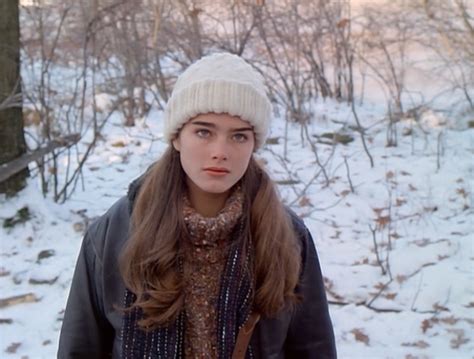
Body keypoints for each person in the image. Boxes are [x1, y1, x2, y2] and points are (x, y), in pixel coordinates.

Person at [58, 52, 336, 358]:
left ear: (253, 144)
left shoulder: (286, 235)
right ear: (177, 137)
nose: (220, 151)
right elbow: (81, 348)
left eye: (239, 136)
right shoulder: (114, 233)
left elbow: (313, 347)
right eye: (204, 132)